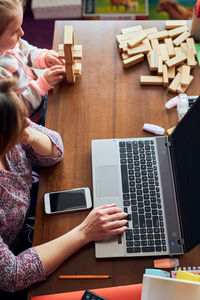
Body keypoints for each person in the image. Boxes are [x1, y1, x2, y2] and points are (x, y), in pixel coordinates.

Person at [0, 78, 128, 294]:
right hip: (14, 251)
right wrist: (84, 232)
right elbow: (11, 276)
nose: (26, 121)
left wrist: (29, 134)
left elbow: (55, 151)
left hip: (30, 213)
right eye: (20, 121)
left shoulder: (11, 126)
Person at [0, 0, 65, 124]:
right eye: (14, 31)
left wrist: (43, 57)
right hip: (31, 120)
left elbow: (26, 50)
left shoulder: (10, 43)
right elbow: (16, 110)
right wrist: (41, 85)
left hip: (39, 94)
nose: (22, 33)